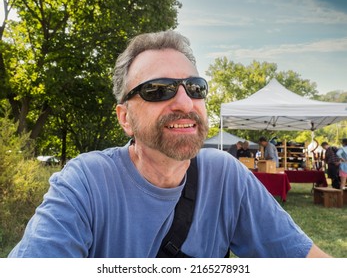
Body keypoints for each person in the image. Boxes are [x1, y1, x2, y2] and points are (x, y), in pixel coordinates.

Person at [8, 30, 329, 258]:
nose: (184, 101)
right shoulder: (86, 183)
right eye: (158, 89)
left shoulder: (226, 177)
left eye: (195, 87)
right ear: (125, 118)